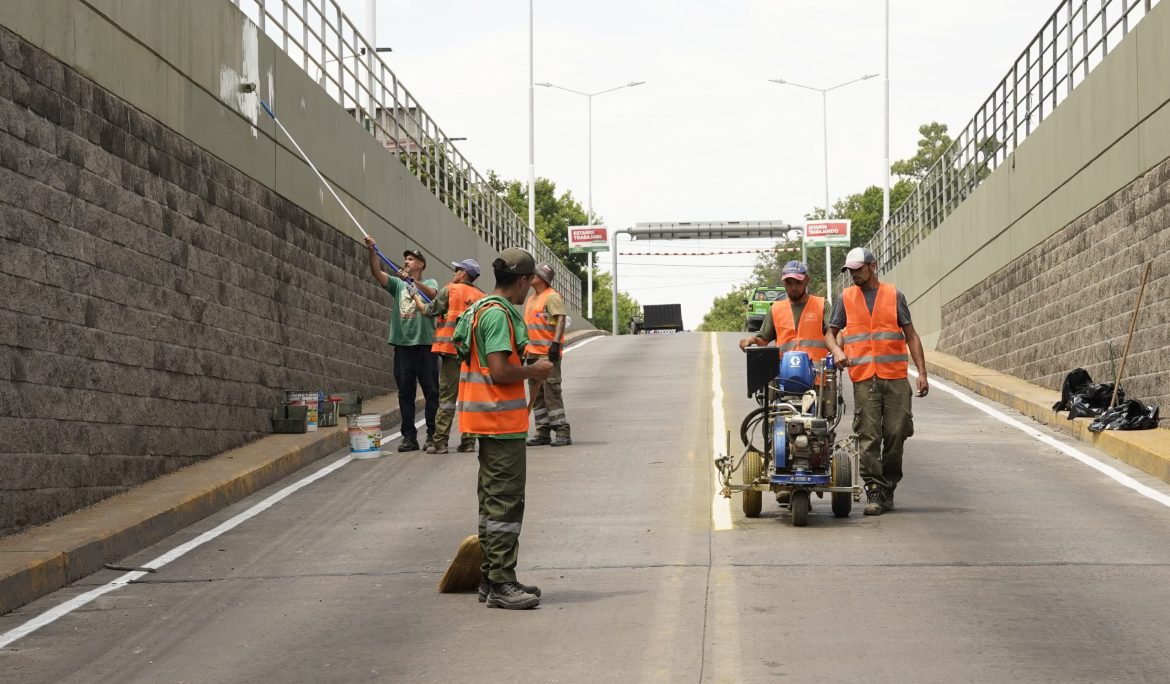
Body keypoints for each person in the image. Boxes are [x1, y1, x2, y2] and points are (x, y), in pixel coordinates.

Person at [455, 248, 553, 609]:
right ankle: (501, 583)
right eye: (530, 284)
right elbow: (499, 371)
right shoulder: (497, 315)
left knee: (493, 501)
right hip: (500, 421)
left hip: (490, 421)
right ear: (525, 280)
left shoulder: (483, 308)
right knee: (506, 504)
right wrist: (533, 371)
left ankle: (489, 576)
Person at [824, 247, 929, 516]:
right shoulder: (845, 298)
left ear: (872, 266)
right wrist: (837, 351)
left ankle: (889, 486)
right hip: (863, 378)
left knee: (897, 433)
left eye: (858, 269)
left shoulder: (894, 296)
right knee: (869, 437)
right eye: (850, 271)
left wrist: (922, 374)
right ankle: (874, 490)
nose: (854, 275)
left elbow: (911, 335)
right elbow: (830, 333)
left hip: (895, 378)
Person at [365, 238, 440, 452]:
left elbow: (432, 296)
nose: (406, 262)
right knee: (405, 394)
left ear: (421, 264)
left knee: (431, 392)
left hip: (425, 347)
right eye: (405, 259)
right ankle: (409, 437)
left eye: (411, 259)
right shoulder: (397, 284)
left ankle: (433, 435)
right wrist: (372, 252)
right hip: (403, 347)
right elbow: (377, 273)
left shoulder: (431, 283)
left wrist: (413, 282)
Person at [414, 258, 485, 454]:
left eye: (457, 270)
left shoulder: (450, 290)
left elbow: (429, 311)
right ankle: (468, 442)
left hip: (452, 353)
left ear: (463, 273)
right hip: (472, 355)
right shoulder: (482, 296)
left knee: (446, 399)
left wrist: (415, 297)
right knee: (468, 398)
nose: (454, 272)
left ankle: (440, 443)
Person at [738, 260, 829, 360]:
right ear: (783, 282)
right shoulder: (775, 309)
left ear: (807, 280)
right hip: (785, 373)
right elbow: (763, 340)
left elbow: (833, 334)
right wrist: (752, 339)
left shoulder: (822, 305)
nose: (793, 287)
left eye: (798, 282)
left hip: (816, 373)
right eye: (788, 283)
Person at [524, 263, 572, 447]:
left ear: (543, 278)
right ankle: (542, 431)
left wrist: (555, 344)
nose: (531, 276)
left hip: (547, 354)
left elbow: (560, 318)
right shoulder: (531, 299)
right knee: (537, 395)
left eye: (534, 274)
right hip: (532, 354)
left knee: (552, 393)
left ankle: (562, 431)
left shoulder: (551, 297)